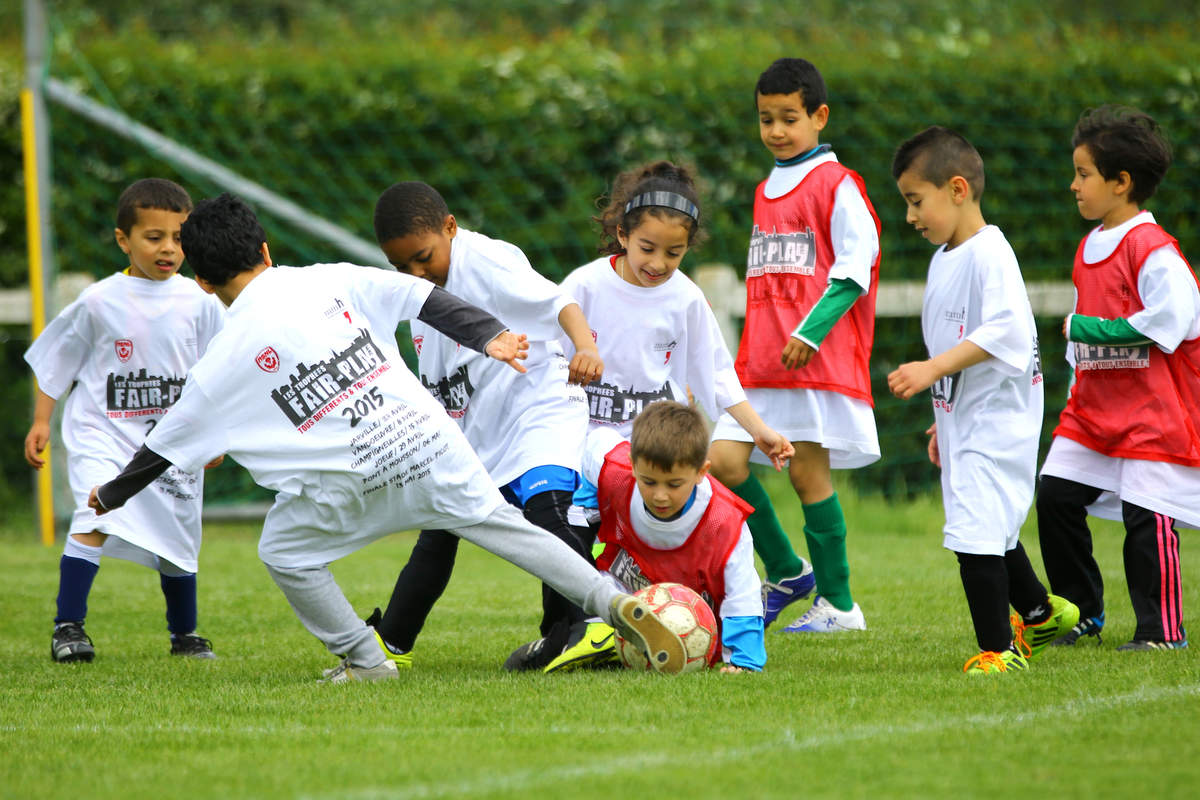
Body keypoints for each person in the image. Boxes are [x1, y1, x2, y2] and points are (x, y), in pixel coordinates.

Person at [87, 192, 687, 682]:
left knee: (283, 550)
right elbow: (424, 298)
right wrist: (491, 336)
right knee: (511, 529)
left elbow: (163, 446)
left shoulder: (220, 362)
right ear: (266, 250)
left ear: (200, 280)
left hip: (353, 485)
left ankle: (367, 658)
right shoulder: (328, 279)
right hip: (430, 445)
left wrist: (111, 495)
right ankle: (612, 603)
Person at [365, 181, 599, 672]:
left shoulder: (486, 260)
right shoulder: (417, 294)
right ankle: (389, 645)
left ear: (450, 228)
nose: (415, 273)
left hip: (538, 405)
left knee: (547, 509)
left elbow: (560, 304)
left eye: (423, 257)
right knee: (440, 528)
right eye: (402, 266)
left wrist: (586, 347)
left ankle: (590, 626)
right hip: (479, 428)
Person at [556, 160, 797, 620]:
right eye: (647, 248)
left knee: (682, 524)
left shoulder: (684, 297)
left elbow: (717, 374)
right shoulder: (584, 286)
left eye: (674, 253)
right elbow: (546, 352)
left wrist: (759, 431)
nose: (658, 264)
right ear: (623, 234)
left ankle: (696, 611)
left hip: (654, 447)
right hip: (584, 443)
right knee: (573, 526)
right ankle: (577, 625)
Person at [887, 126, 1081, 674]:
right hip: (966, 419)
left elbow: (1007, 332)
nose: (910, 216)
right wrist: (942, 416)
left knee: (975, 531)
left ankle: (999, 652)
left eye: (915, 201)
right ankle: (1042, 615)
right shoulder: (946, 257)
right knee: (988, 525)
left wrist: (931, 370)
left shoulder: (990, 253)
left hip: (997, 424)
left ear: (957, 189)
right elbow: (957, 341)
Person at [708, 57, 880, 634]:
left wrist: (811, 331)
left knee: (808, 478)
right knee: (723, 462)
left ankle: (840, 606)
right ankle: (786, 570)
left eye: (789, 118)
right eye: (766, 119)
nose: (777, 131)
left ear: (819, 116)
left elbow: (857, 264)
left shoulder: (837, 183)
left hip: (811, 360)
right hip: (762, 360)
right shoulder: (765, 189)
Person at [24, 178, 225, 662]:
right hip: (104, 435)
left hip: (169, 445)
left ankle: (185, 635)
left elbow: (220, 372)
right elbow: (57, 361)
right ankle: (68, 628)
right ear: (124, 240)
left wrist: (215, 435)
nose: (169, 248)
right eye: (154, 237)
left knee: (177, 538)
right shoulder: (99, 301)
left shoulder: (201, 301)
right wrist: (41, 421)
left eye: (178, 238)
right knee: (93, 516)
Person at [1036, 105, 1199, 651]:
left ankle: (1161, 631)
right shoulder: (1089, 246)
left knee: (1146, 515)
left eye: (1083, 174)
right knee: (1055, 496)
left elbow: (1171, 322)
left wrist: (1086, 328)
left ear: (1121, 182)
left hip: (1152, 415)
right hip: (1093, 413)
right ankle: (1081, 613)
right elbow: (1083, 347)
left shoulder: (1153, 249)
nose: (1073, 185)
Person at [585, 401, 767, 673]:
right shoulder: (615, 472)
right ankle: (594, 637)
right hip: (619, 598)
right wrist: (587, 500)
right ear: (633, 465)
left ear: (701, 472)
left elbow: (742, 594)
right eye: (649, 482)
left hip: (696, 624)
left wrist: (744, 659)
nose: (660, 496)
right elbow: (595, 443)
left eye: (674, 484)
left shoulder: (724, 523)